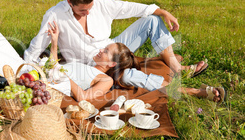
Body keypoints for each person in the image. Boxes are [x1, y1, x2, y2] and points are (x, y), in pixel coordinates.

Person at [24, 0, 208, 79]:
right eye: (82, 10)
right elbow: (36, 47)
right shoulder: (55, 15)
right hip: (89, 64)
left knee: (152, 20)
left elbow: (130, 7)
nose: (88, 13)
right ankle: (154, 67)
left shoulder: (101, 4)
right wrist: (23, 71)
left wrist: (163, 12)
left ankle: (178, 68)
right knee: (123, 78)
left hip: (112, 49)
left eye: (90, 8)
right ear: (70, 2)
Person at [47, 21, 225, 103]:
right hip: (50, 76)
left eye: (105, 51)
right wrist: (54, 42)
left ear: (111, 64)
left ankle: (197, 92)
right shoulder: (88, 65)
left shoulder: (111, 77)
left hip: (113, 75)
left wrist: (64, 76)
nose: (100, 50)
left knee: (142, 79)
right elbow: (54, 67)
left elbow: (84, 96)